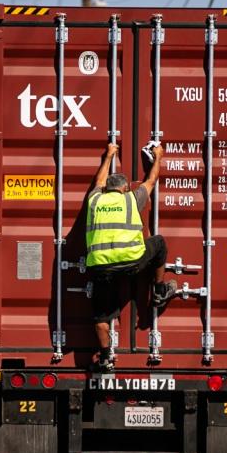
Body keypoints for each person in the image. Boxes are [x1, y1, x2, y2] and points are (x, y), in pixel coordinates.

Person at [85, 142, 177, 371]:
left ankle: (106, 357)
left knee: (100, 317)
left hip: (101, 267)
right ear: (125, 188)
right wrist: (158, 158)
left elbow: (98, 181)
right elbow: (151, 181)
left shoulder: (95, 200)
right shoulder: (131, 199)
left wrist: (108, 156)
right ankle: (158, 290)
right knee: (159, 243)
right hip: (132, 261)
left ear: (107, 188)